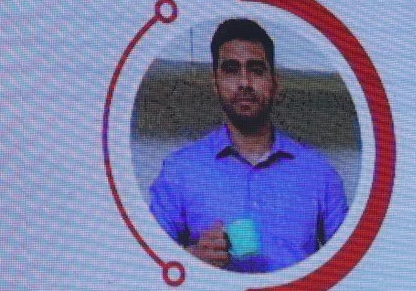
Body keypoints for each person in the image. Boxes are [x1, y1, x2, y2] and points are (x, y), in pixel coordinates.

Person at [146, 19, 350, 274]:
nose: (244, 82)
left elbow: (352, 269)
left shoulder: (321, 175)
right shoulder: (179, 171)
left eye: (256, 69)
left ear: (275, 82)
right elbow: (146, 262)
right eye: (231, 69)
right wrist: (191, 257)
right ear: (215, 81)